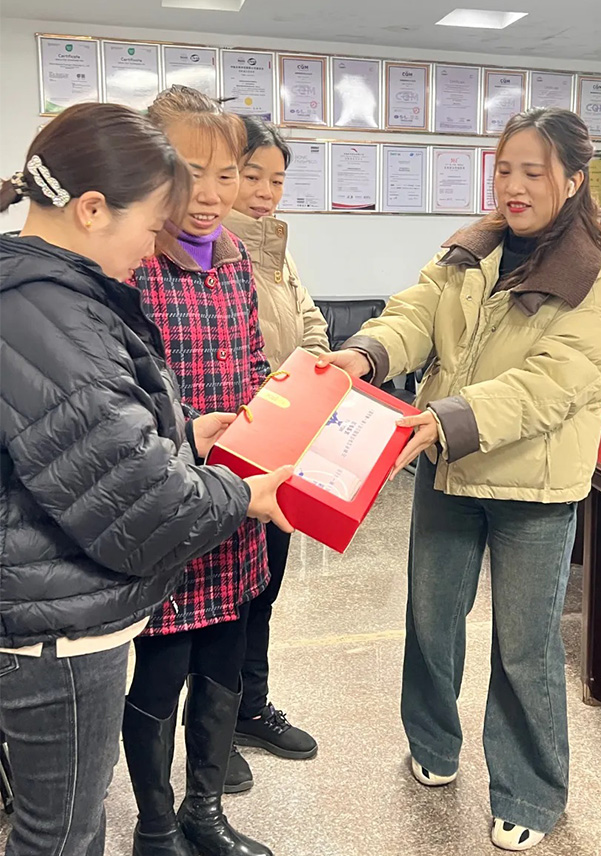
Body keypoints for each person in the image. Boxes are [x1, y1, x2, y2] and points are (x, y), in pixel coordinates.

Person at [318, 107, 601, 851]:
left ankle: (530, 791)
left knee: (524, 647)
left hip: (532, 489)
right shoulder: (470, 250)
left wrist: (444, 418)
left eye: (533, 172)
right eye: (504, 169)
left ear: (573, 181)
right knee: (431, 619)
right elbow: (416, 314)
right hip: (449, 466)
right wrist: (365, 355)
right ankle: (432, 743)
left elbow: (550, 385)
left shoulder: (590, 279)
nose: (514, 186)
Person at [0, 103, 291, 856]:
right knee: (61, 833)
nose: (155, 239)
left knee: (67, 821)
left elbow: (93, 430)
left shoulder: (48, 291)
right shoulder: (51, 309)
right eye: (153, 220)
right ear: (94, 209)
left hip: (75, 579)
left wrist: (187, 432)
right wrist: (245, 494)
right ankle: (158, 823)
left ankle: (201, 810)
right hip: (59, 618)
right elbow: (134, 489)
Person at [124, 86, 275, 856]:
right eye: (192, 172)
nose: (213, 194)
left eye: (227, 173)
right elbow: (115, 395)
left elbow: (253, 362)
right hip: (166, 505)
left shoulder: (237, 261)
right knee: (160, 669)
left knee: (223, 665)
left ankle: (204, 813)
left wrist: (279, 421)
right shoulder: (134, 266)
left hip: (236, 501)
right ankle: (155, 828)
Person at [222, 117, 327, 791]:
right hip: (233, 447)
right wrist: (282, 389)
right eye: (250, 176)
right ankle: (207, 725)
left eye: (277, 180)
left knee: (262, 588)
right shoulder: (212, 249)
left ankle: (248, 708)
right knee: (219, 598)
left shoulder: (276, 250)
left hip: (285, 445)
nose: (264, 192)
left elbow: (311, 323)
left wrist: (304, 377)